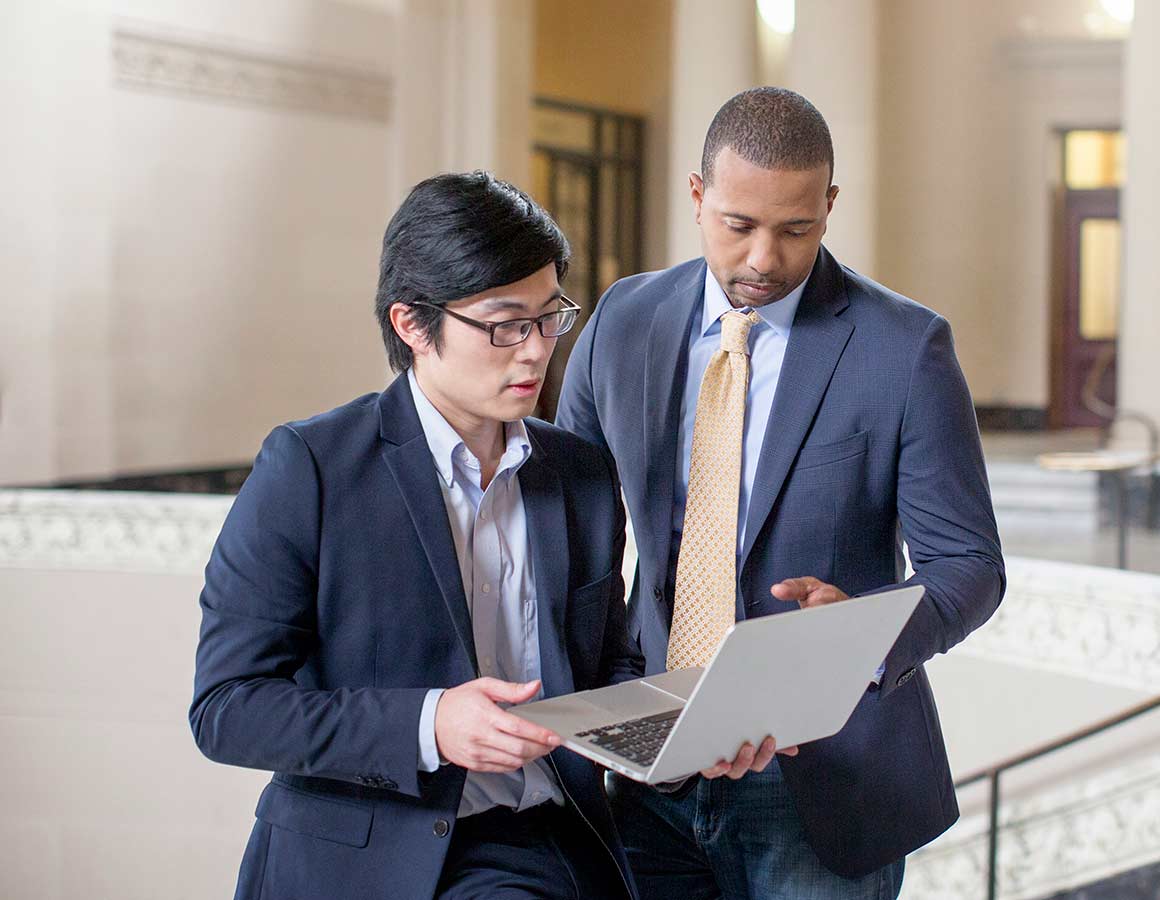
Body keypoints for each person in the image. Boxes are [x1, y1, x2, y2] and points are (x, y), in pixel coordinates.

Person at [557, 87, 1006, 899]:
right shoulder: (624, 320)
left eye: (796, 229)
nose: (765, 258)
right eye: (740, 226)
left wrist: (863, 636)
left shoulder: (906, 349)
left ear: (829, 207)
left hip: (820, 781)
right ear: (697, 198)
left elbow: (970, 566)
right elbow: (565, 532)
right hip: (649, 772)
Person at [190, 172, 641, 900]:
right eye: (503, 324)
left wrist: (669, 734)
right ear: (411, 324)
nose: (534, 351)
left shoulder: (581, 472)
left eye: (549, 316)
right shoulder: (310, 467)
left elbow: (608, 663)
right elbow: (227, 709)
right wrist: (430, 724)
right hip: (363, 855)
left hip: (543, 846)